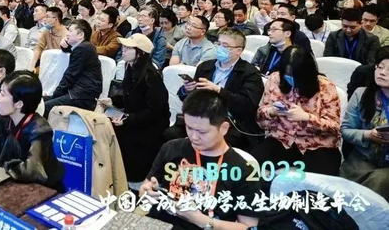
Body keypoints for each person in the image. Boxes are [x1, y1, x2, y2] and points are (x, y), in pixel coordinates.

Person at [140, 90, 260, 230]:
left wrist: (202, 220)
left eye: (202, 132)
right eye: (189, 128)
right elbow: (145, 189)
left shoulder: (243, 170)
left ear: (223, 128)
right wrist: (147, 192)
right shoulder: (171, 148)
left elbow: (249, 227)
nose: (194, 137)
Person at [167, 29, 264, 151]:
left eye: (225, 46)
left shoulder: (250, 73)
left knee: (220, 141)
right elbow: (190, 99)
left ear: (238, 51)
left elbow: (247, 106)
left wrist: (219, 90)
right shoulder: (205, 66)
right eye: (219, 44)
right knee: (171, 134)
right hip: (201, 115)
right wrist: (186, 90)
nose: (220, 48)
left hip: (231, 122)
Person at [254, 47, 342, 176]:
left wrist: (307, 117)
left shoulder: (325, 86)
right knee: (251, 166)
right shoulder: (275, 79)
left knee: (318, 180)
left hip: (317, 145)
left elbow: (335, 127)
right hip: (282, 140)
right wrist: (271, 111)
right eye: (287, 74)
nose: (290, 78)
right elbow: (259, 117)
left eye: (294, 74)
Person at [97, 34, 169, 184]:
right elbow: (129, 95)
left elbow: (154, 111)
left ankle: (130, 179)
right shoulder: (130, 68)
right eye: (124, 47)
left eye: (128, 48)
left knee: (122, 135)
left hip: (150, 124)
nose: (123, 51)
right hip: (135, 116)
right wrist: (112, 101)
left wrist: (128, 120)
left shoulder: (151, 76)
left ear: (140, 53)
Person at [340, 50, 389, 199]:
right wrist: (368, 135)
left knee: (380, 181)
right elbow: (345, 130)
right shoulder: (361, 94)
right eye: (380, 67)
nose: (382, 73)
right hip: (362, 159)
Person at [44, 19, 102, 115]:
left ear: (81, 35)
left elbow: (69, 76)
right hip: (77, 93)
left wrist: (55, 95)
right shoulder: (84, 47)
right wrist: (65, 45)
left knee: (43, 107)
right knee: (38, 101)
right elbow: (70, 50)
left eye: (70, 31)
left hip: (82, 97)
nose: (67, 34)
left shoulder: (83, 49)